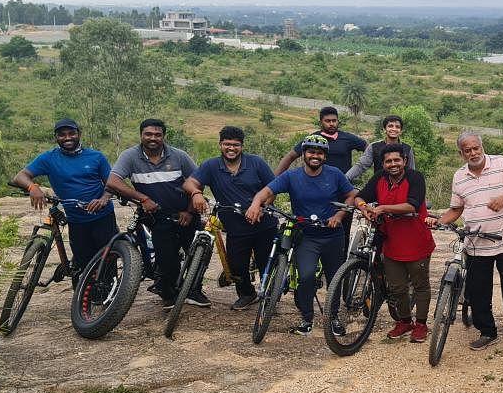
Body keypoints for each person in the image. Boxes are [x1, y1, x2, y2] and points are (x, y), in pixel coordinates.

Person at [428, 132, 503, 358]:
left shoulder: (501, 163)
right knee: (478, 292)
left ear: (482, 147)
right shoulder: (459, 176)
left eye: (476, 148)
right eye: (468, 150)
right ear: (461, 153)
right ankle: (487, 332)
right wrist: (438, 221)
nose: (473, 153)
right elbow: (456, 209)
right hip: (476, 243)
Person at [246, 134, 357, 336]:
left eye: (320, 153)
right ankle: (306, 318)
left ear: (325, 156)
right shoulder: (292, 176)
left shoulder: (335, 174)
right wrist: (255, 204)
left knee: (335, 278)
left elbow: (351, 196)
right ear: (304, 154)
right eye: (311, 152)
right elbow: (266, 191)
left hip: (333, 235)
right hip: (307, 236)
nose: (315, 156)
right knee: (305, 276)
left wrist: (339, 215)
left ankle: (333, 317)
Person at [108, 119, 207, 311]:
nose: (153, 138)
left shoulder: (179, 156)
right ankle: (169, 293)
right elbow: (113, 181)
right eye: (148, 134)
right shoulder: (130, 156)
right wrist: (142, 198)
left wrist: (189, 210)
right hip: (158, 217)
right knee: (167, 259)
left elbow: (198, 181)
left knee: (198, 254)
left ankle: (194, 290)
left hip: (185, 214)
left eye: (157, 134)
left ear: (163, 136)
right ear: (141, 135)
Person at [182, 126, 277, 310]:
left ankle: (270, 297)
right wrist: (195, 193)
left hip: (263, 224)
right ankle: (247, 294)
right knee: (236, 267)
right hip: (236, 228)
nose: (231, 148)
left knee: (267, 263)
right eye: (227, 144)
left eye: (236, 145)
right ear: (220, 145)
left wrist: (262, 206)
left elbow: (273, 188)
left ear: (242, 146)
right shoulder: (211, 166)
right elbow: (189, 182)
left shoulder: (256, 163)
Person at [353, 144, 435, 343]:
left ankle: (421, 324)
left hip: (416, 240)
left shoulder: (415, 178)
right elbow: (359, 196)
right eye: (388, 161)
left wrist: (381, 208)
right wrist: (364, 207)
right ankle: (405, 321)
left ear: (405, 161)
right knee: (396, 287)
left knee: (420, 284)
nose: (393, 164)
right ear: (383, 163)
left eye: (397, 160)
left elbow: (412, 205)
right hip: (391, 241)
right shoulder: (380, 177)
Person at [12, 119, 117, 273]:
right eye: (62, 135)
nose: (67, 138)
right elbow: (20, 176)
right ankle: (83, 295)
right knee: (83, 264)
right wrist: (32, 186)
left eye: (71, 133)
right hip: (76, 220)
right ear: (56, 137)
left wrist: (103, 199)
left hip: (103, 217)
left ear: (79, 134)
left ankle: (113, 295)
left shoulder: (96, 156)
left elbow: (112, 184)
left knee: (107, 260)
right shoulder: (48, 158)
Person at [275, 106, 368, 176]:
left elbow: (369, 148)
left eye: (334, 121)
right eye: (327, 121)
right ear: (321, 123)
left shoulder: (348, 138)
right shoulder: (313, 139)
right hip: (317, 184)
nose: (331, 124)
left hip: (343, 185)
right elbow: (290, 156)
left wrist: (359, 167)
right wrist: (273, 180)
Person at [345, 114, 416, 182]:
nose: (394, 129)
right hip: (379, 188)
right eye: (390, 126)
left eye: (397, 127)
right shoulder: (374, 147)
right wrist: (345, 178)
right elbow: (361, 165)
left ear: (401, 131)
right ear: (384, 129)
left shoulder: (407, 149)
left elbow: (411, 171)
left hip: (402, 189)